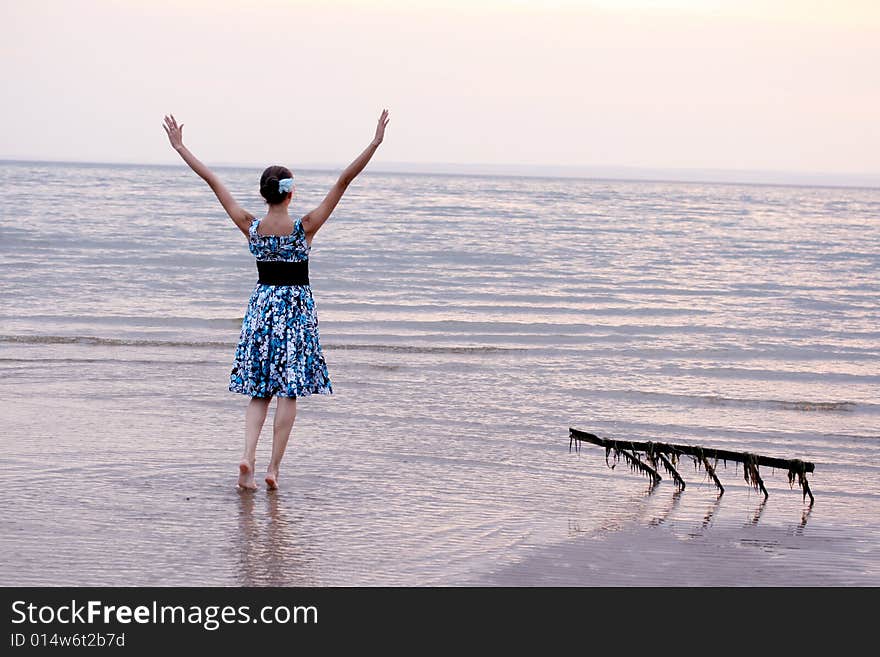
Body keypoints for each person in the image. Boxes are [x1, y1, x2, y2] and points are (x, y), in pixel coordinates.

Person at [162, 109, 390, 490]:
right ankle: (272, 468)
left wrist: (181, 147)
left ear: (264, 193)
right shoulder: (305, 228)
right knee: (289, 392)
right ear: (290, 192)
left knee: (259, 391)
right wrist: (375, 142)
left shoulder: (251, 227)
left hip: (262, 308)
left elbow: (213, 181)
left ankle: (247, 457)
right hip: (296, 312)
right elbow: (345, 180)